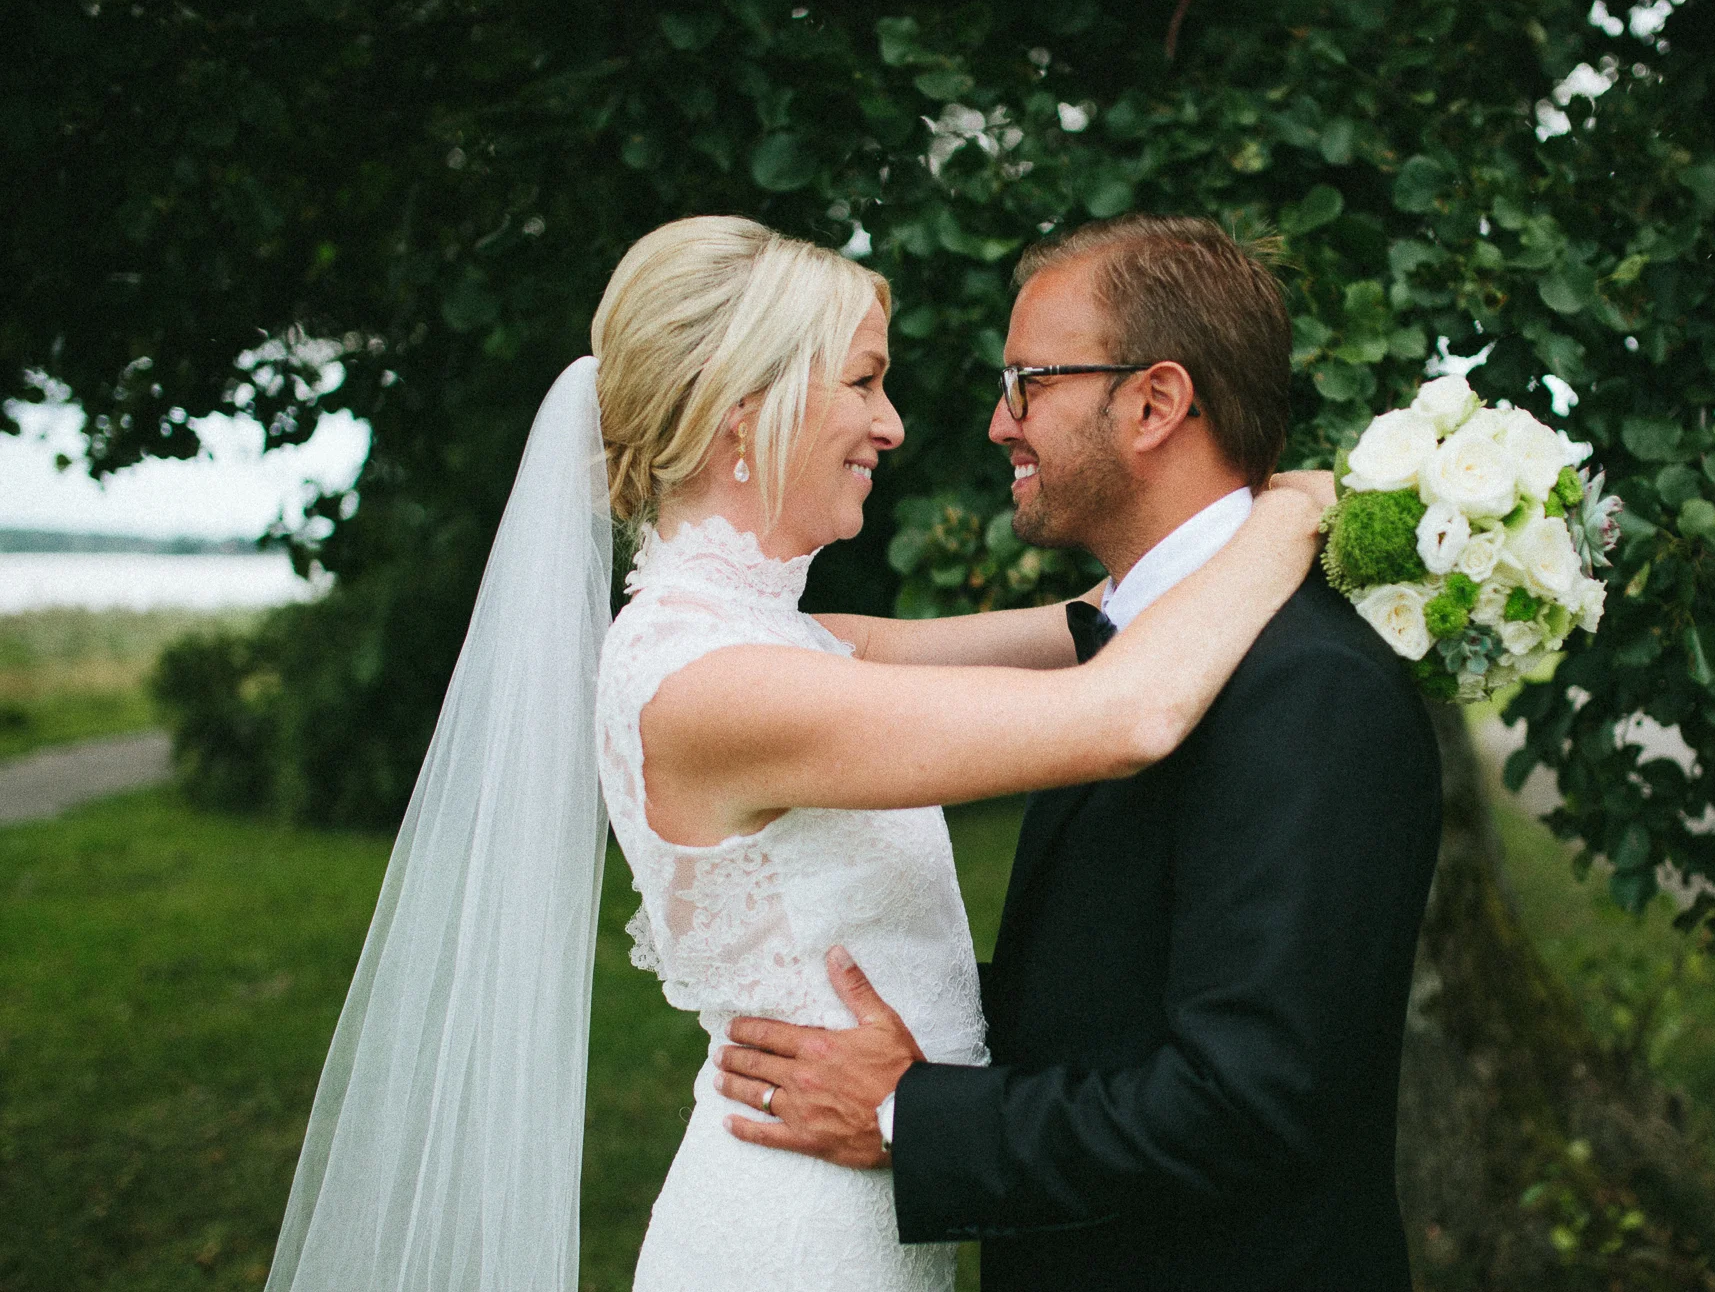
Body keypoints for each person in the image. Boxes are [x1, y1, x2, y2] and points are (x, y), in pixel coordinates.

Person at [262, 215, 1332, 1292]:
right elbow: (1122, 714)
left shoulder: (787, 639)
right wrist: (1290, 517)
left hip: (864, 1199)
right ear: (744, 408)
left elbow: (1094, 621)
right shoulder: (711, 686)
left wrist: (1225, 519)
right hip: (792, 1237)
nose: (894, 425)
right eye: (864, 382)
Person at [717, 215, 1445, 1291]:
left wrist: (906, 1113)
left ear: (1153, 402)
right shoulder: (1137, 652)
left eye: (1027, 382)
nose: (996, 422)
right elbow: (1108, 992)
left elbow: (1246, 1102)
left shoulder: (1310, 686)